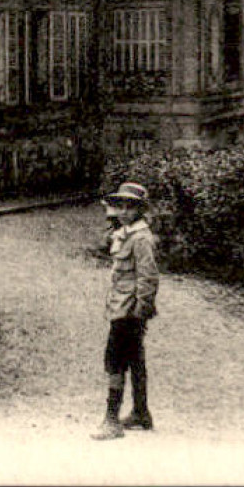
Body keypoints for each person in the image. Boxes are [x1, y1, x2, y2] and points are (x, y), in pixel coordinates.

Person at [92, 181, 159, 440]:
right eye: (120, 206)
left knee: (116, 360)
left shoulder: (141, 239)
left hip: (129, 312)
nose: (123, 211)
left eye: (130, 207)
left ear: (140, 210)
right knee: (134, 359)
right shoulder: (125, 234)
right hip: (121, 307)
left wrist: (141, 311)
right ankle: (141, 413)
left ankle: (111, 421)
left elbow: (148, 278)